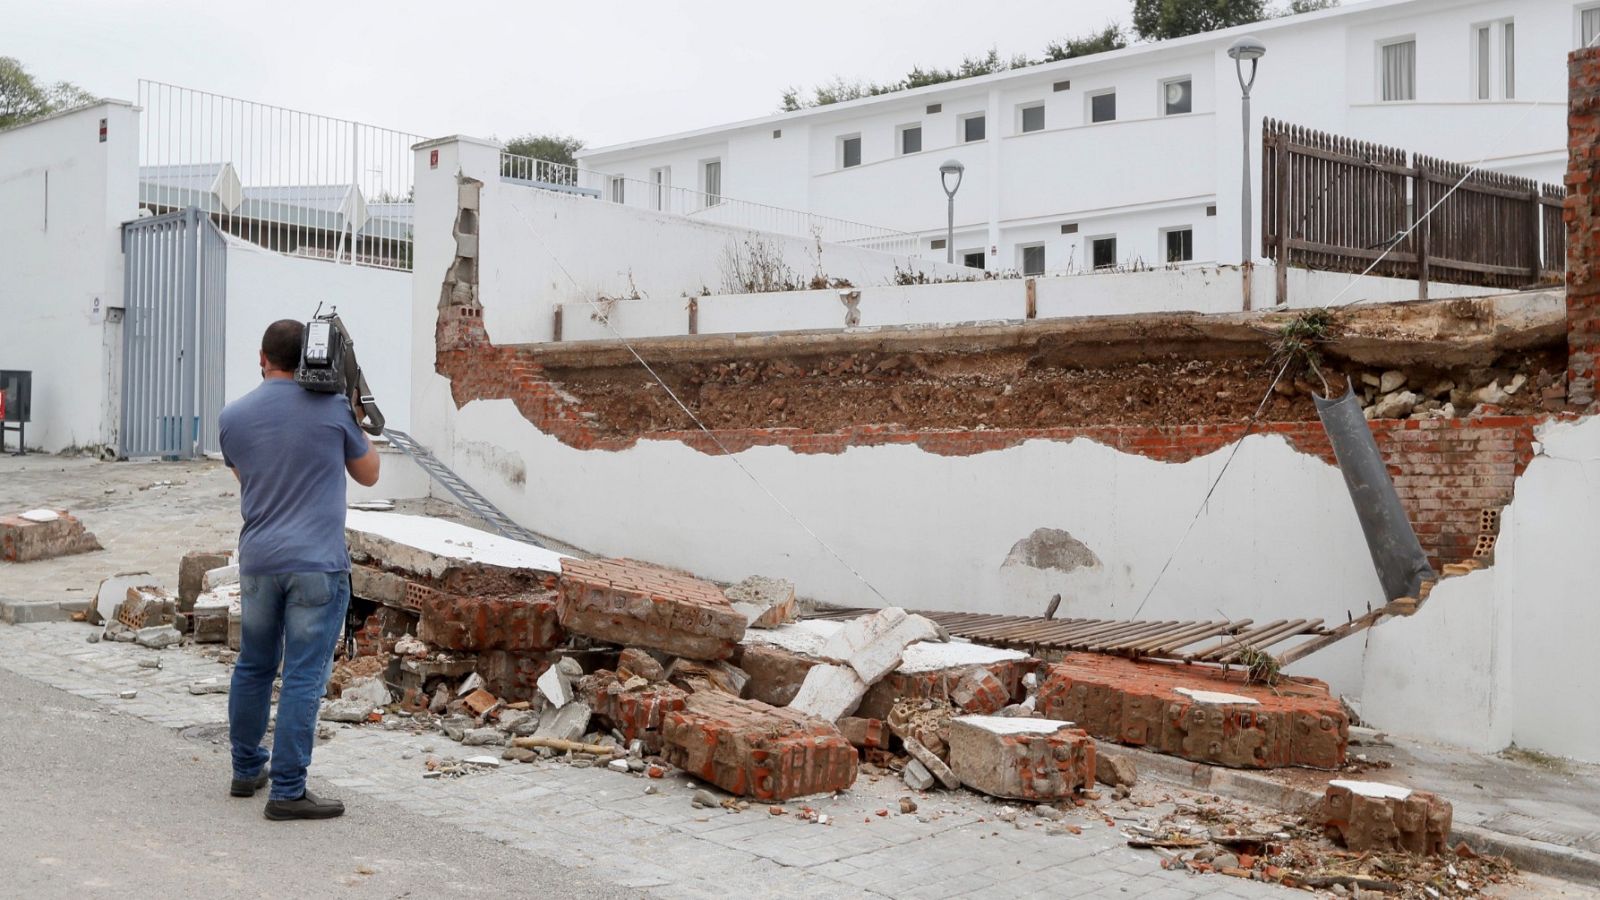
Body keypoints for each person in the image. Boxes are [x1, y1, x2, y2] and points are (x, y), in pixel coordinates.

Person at [220, 318, 380, 820]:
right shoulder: (333, 410)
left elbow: (248, 477)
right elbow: (370, 474)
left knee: (254, 665)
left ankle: (247, 769)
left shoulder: (232, 417)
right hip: (316, 565)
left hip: (259, 562)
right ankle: (288, 790)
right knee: (304, 677)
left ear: (262, 358)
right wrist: (355, 414)